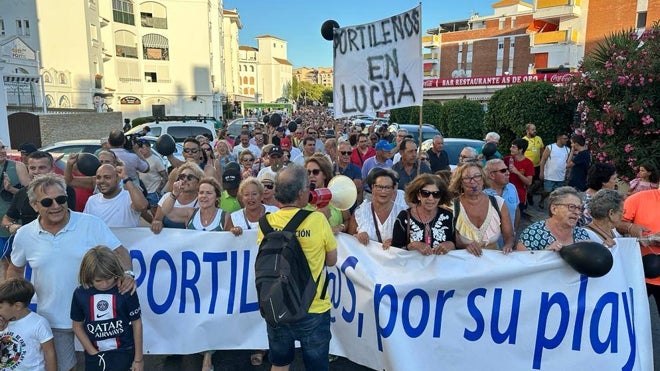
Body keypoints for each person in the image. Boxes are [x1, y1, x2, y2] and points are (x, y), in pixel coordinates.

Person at [7, 173, 135, 371]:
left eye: (61, 199)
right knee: (66, 368)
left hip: (98, 317)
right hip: (53, 319)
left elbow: (121, 253)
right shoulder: (24, 235)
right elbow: (15, 270)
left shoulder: (91, 224)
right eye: (47, 202)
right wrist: (13, 305)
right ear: (34, 205)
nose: (56, 206)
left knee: (106, 367)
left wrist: (128, 274)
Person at [256, 164, 337, 371]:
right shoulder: (317, 219)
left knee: (280, 364)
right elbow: (331, 260)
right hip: (313, 306)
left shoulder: (265, 223)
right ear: (302, 193)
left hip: (277, 304)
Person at [2, 151, 76, 278]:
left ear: (52, 168)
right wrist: (11, 226)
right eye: (32, 168)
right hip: (33, 255)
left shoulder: (65, 191)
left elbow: (72, 220)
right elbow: (6, 219)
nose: (36, 172)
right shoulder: (22, 194)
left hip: (64, 251)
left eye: (42, 167)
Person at [71, 246, 143, 371]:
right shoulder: (80, 293)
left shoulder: (125, 289)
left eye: (109, 278)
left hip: (125, 353)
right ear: (88, 275)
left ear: (115, 272)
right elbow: (77, 326)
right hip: (95, 355)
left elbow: (137, 323)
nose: (104, 284)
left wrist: (139, 359)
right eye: (98, 280)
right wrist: (93, 353)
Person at [449, 162, 515, 255]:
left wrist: (508, 245)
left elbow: (509, 236)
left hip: (493, 263)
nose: (473, 181)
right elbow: (449, 239)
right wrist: (465, 246)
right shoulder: (452, 206)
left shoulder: (498, 203)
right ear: (460, 183)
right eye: (467, 178)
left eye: (477, 176)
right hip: (464, 264)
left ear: (483, 179)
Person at [0, 278, 56, 371]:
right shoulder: (3, 322)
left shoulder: (38, 323)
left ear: (17, 306)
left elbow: (49, 353)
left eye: (0, 307)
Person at [391, 174, 455, 254]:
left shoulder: (449, 217)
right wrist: (411, 246)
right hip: (412, 266)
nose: (430, 198)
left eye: (436, 194)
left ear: (441, 196)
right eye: (425, 193)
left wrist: (451, 245)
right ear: (418, 195)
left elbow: (459, 247)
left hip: (442, 266)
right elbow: (394, 251)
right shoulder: (404, 217)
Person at [622, 183, 660, 314]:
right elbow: (615, 223)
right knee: (627, 317)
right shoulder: (638, 199)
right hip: (638, 273)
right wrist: (631, 228)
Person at [517, 186, 590, 251]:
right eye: (571, 207)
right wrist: (545, 254)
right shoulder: (533, 233)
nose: (577, 212)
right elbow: (521, 262)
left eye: (579, 208)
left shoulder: (581, 234)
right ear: (554, 209)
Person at [349, 168, 407, 248]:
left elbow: (411, 242)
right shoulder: (360, 212)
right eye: (379, 187)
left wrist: (397, 242)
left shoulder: (404, 213)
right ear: (372, 187)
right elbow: (348, 242)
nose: (383, 191)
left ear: (394, 189)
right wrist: (357, 237)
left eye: (387, 187)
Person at [83, 164, 148, 227]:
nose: (102, 181)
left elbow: (142, 206)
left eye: (107, 177)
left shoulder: (130, 197)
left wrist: (126, 178)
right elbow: (86, 225)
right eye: (98, 177)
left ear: (118, 179)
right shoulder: (92, 200)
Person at [151, 163, 203, 234]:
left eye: (190, 177)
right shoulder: (167, 196)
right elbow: (157, 219)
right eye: (182, 176)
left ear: (198, 183)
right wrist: (157, 223)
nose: (185, 180)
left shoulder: (202, 201)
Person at [305, 154, 348, 234]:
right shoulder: (302, 200)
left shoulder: (337, 195)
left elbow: (348, 220)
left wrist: (340, 227)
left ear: (324, 174)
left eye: (315, 172)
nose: (311, 176)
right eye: (308, 172)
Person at [0, 140, 30, 250]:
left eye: (3, 147)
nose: (2, 151)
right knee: (3, 260)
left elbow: (29, 195)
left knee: (19, 259)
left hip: (15, 222)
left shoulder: (18, 166)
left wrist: (11, 189)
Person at [483, 159, 520, 237]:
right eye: (503, 170)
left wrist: (514, 232)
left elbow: (517, 210)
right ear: (492, 175)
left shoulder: (512, 188)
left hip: (509, 243)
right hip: (490, 245)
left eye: (507, 169)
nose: (508, 173)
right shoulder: (482, 194)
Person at [577, 162, 618, 227]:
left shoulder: (582, 196)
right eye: (614, 179)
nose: (616, 181)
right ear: (604, 182)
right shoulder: (592, 203)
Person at [137, 139, 168, 221]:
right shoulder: (138, 159)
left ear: (149, 147)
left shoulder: (156, 160)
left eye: (142, 147)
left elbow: (165, 176)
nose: (141, 150)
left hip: (153, 191)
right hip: (142, 191)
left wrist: (158, 190)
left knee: (156, 213)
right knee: (142, 212)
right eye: (139, 148)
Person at [539, 133, 570, 208]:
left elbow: (568, 162)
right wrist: (541, 172)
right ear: (559, 138)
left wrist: (568, 172)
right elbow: (543, 160)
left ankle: (553, 206)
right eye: (564, 138)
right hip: (549, 175)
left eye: (567, 139)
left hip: (560, 176)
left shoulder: (567, 149)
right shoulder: (550, 147)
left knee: (558, 193)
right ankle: (542, 199)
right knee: (547, 191)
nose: (566, 140)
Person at [504, 139, 534, 212]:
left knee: (517, 216)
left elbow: (529, 182)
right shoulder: (507, 159)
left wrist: (517, 172)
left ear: (520, 150)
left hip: (519, 195)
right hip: (504, 193)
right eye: (511, 147)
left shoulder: (528, 163)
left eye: (513, 147)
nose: (510, 149)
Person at [334, 140, 363, 206]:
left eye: (349, 153)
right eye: (343, 153)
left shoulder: (356, 169)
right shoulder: (331, 168)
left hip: (351, 204)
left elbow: (356, 189)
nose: (346, 155)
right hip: (335, 204)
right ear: (338, 153)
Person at [522, 123, 544, 206]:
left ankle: (529, 194)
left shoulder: (538, 138)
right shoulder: (523, 140)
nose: (535, 131)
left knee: (538, 183)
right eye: (533, 129)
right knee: (528, 183)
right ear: (527, 131)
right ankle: (525, 200)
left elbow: (542, 150)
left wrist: (543, 161)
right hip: (527, 167)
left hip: (537, 165)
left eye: (535, 129)